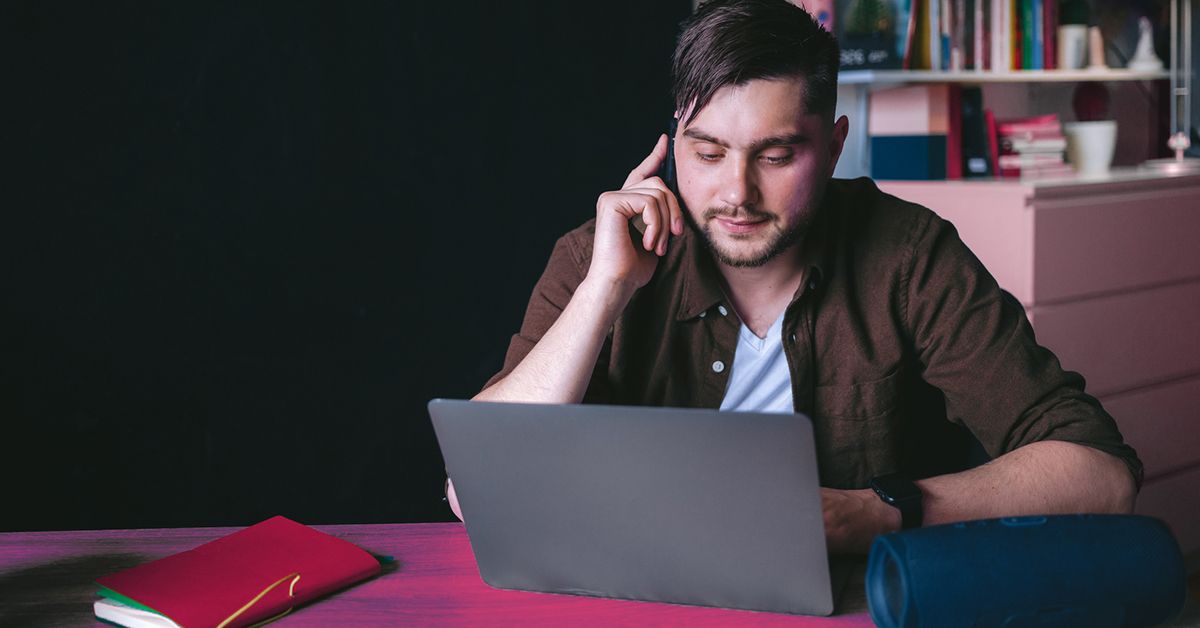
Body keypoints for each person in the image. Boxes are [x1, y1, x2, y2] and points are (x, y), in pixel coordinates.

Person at [452, 0, 1140, 554]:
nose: (736, 193)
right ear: (673, 141)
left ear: (835, 145)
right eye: (708, 153)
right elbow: (475, 489)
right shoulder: (595, 257)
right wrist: (604, 292)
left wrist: (879, 514)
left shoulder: (909, 255)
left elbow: (1101, 474)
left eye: (776, 154)